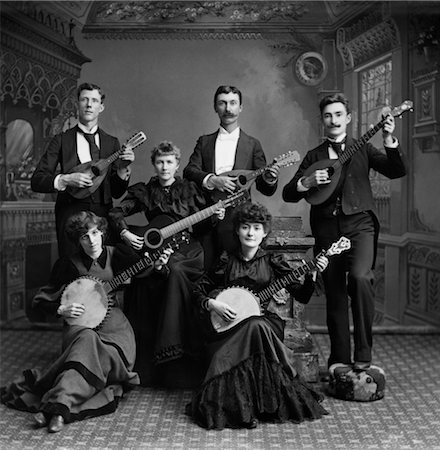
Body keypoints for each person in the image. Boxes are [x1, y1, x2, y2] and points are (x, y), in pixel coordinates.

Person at [282, 93, 407, 371]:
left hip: (360, 224)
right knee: (336, 293)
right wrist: (307, 181)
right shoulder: (314, 156)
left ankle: (364, 355)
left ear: (348, 118)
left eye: (338, 114)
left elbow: (396, 170)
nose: (333, 120)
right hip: (327, 228)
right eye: (328, 115)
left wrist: (388, 139)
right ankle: (339, 358)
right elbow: (289, 192)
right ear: (323, 121)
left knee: (361, 278)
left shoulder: (362, 149)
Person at [186, 202, 329, 430]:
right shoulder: (226, 260)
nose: (250, 233)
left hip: (265, 325)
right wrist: (213, 304)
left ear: (264, 233)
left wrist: (312, 274)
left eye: (256, 227)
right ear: (237, 230)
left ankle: (258, 408)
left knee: (256, 324)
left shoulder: (273, 262)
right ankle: (242, 411)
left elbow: (301, 296)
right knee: (252, 326)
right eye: (245, 227)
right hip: (230, 327)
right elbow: (197, 291)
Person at [1, 211, 143, 433]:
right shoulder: (68, 265)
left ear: (103, 232)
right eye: (85, 236)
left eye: (95, 233)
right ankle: (60, 408)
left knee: (91, 347)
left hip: (116, 330)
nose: (92, 240)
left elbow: (149, 274)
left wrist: (161, 265)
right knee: (87, 338)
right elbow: (39, 300)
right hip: (79, 326)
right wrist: (61, 308)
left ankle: (55, 406)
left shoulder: (119, 255)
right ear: (78, 241)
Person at [109, 141, 225, 388]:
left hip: (186, 249)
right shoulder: (145, 190)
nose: (164, 167)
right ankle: (145, 365)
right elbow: (116, 213)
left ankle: (175, 352)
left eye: (169, 162)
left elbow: (202, 226)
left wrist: (214, 216)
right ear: (154, 164)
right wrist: (125, 233)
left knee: (175, 271)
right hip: (156, 247)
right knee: (142, 273)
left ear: (177, 164)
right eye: (160, 162)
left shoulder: (190, 190)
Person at [31, 82, 135, 257]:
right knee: (73, 269)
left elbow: (117, 193)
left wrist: (123, 170)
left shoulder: (112, 143)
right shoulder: (61, 140)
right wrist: (65, 179)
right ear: (77, 104)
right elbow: (37, 180)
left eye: (94, 100)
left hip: (102, 214)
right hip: (70, 213)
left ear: (101, 107)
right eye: (84, 100)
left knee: (103, 270)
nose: (89, 104)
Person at [183, 85, 280, 269]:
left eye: (233, 103)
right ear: (215, 107)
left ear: (240, 107)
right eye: (222, 103)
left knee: (238, 272)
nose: (228, 109)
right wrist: (212, 179)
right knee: (206, 272)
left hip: (241, 221)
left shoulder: (252, 144)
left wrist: (271, 178)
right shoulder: (204, 142)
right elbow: (189, 171)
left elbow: (265, 188)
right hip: (209, 217)